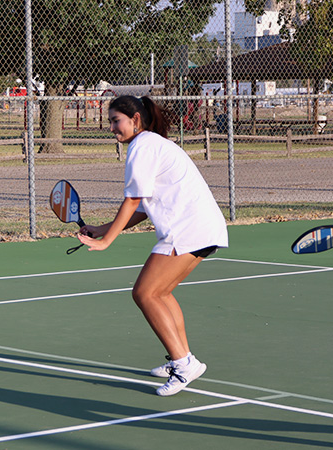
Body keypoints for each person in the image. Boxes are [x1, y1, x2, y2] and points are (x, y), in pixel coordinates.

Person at [76, 95, 229, 396]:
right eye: (109, 121)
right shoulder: (152, 144)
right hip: (197, 227)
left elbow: (133, 200)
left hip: (188, 229)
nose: (111, 128)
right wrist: (102, 228)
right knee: (160, 292)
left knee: (144, 293)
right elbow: (144, 208)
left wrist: (107, 241)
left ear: (134, 120)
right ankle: (183, 359)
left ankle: (184, 364)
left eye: (115, 121)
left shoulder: (143, 146)